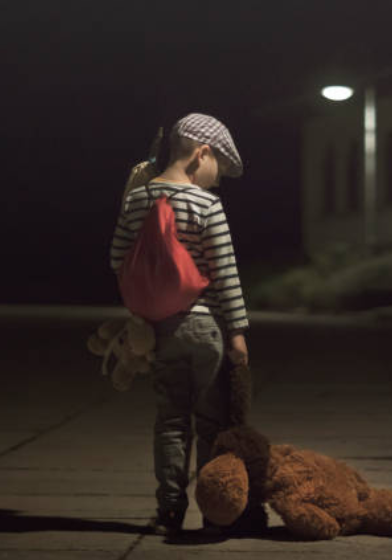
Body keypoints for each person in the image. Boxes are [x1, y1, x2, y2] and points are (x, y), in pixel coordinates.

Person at [110, 113, 249, 536]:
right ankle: (212, 512)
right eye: (217, 170)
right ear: (201, 154)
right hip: (206, 329)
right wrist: (238, 332)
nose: (217, 181)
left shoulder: (137, 199)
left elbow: (117, 258)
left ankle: (170, 508)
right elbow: (225, 272)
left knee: (171, 421)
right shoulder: (208, 204)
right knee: (211, 421)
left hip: (162, 331)